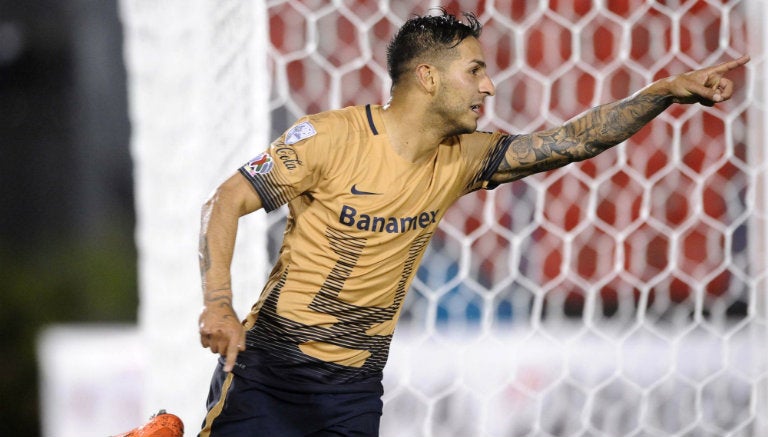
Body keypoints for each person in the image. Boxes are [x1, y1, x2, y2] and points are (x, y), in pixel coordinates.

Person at [196, 9, 749, 437]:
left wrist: (661, 93)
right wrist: (219, 301)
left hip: (354, 387)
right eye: (476, 70)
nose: (489, 87)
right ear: (428, 77)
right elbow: (225, 201)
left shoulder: (462, 157)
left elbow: (574, 141)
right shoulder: (327, 139)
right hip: (269, 370)